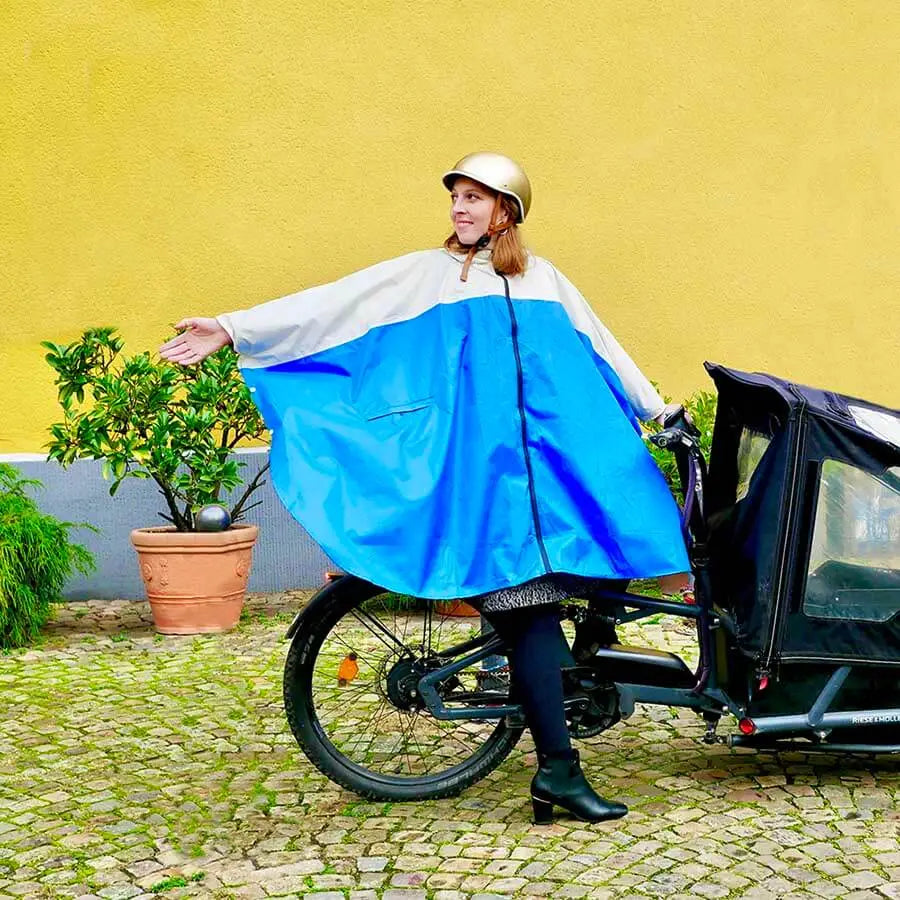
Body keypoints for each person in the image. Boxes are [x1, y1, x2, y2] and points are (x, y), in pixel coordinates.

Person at [160, 152, 690, 823]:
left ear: (507, 210)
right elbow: (332, 306)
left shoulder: (545, 281)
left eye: (476, 198)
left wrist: (654, 408)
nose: (460, 208)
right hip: (479, 485)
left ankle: (558, 715)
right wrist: (234, 326)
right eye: (456, 197)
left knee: (602, 564)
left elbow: (602, 347)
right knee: (528, 611)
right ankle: (558, 772)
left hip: (549, 479)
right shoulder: (427, 277)